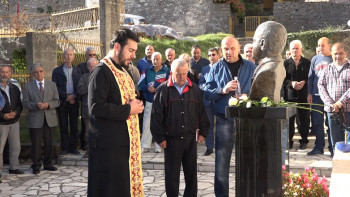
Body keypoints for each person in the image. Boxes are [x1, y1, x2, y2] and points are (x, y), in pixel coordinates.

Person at [88, 28, 145, 197]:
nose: (134, 55)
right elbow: (96, 107)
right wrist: (129, 109)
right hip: (108, 149)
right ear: (118, 47)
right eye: (131, 50)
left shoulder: (123, 70)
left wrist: (135, 105)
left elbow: (123, 99)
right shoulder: (101, 71)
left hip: (122, 148)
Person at [203, 36, 256, 196]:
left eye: (232, 48)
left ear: (239, 48)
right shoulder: (216, 68)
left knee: (246, 163)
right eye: (225, 49)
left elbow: (259, 91)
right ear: (221, 50)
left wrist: (247, 96)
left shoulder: (251, 66)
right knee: (221, 165)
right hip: (224, 120)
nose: (229, 52)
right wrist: (222, 90)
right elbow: (207, 93)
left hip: (245, 120)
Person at [151, 59, 209, 197]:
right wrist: (159, 138)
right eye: (178, 74)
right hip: (171, 140)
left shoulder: (194, 89)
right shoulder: (163, 90)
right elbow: (156, 116)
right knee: (171, 175)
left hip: (190, 138)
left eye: (184, 73)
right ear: (171, 73)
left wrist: (204, 132)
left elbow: (201, 112)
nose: (182, 77)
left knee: (191, 174)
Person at [22, 63, 60, 174]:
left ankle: (48, 163)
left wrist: (48, 105)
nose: (39, 74)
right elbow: (25, 103)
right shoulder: (28, 86)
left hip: (50, 118)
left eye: (41, 71)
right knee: (36, 143)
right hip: (35, 119)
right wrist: (35, 105)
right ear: (33, 74)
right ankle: (36, 165)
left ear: (44, 72)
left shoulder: (52, 85)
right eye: (36, 72)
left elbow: (57, 101)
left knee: (49, 142)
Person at [318, 42, 350, 153]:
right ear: (331, 54)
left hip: (348, 110)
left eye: (340, 53)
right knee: (335, 142)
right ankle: (337, 165)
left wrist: (340, 102)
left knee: (349, 141)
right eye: (335, 53)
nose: (338, 56)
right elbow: (320, 85)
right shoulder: (326, 69)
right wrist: (330, 103)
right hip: (332, 111)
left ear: (346, 53)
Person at [52, 48, 82, 155]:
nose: (69, 56)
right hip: (63, 102)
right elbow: (55, 87)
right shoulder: (57, 71)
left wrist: (74, 96)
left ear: (74, 56)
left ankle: (73, 147)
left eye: (71, 54)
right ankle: (65, 148)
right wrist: (67, 96)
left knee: (74, 125)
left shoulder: (78, 70)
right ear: (63, 57)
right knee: (63, 125)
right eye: (67, 54)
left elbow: (80, 86)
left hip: (74, 101)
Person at [307, 37, 333, 156]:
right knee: (317, 123)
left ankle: (333, 147)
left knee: (330, 123)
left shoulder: (333, 58)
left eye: (323, 45)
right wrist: (309, 93)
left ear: (329, 46)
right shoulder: (315, 59)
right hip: (316, 96)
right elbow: (311, 77)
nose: (320, 48)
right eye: (318, 45)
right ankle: (319, 147)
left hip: (330, 97)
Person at [138, 52, 169, 153]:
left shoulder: (167, 71)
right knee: (147, 123)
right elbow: (140, 85)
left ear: (161, 60)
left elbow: (170, 85)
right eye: (154, 59)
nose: (155, 61)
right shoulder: (146, 70)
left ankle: (158, 145)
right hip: (150, 100)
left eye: (157, 59)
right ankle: (145, 145)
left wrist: (161, 89)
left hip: (162, 101)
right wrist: (147, 88)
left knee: (161, 123)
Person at [283, 40, 311, 150]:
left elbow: (311, 78)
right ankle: (289, 141)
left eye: (297, 48)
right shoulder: (285, 63)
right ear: (290, 50)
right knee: (289, 121)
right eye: (293, 48)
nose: (295, 50)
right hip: (290, 97)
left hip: (303, 96)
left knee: (303, 120)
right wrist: (291, 83)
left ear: (301, 50)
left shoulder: (307, 63)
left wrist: (304, 82)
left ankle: (304, 140)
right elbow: (282, 79)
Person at [0, 65, 23, 182]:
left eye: (7, 72)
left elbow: (20, 104)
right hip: (1, 123)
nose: (5, 75)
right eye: (2, 72)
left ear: (10, 74)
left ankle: (14, 167)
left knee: (15, 146)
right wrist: (3, 115)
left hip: (14, 121)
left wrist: (15, 113)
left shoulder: (14, 88)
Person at [198, 47, 220, 156]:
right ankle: (209, 147)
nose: (211, 57)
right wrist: (205, 88)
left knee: (221, 125)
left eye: (213, 54)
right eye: (209, 55)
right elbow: (201, 83)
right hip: (207, 101)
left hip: (219, 100)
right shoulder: (205, 69)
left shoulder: (222, 67)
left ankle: (220, 146)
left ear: (218, 55)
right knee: (209, 124)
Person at [77, 58, 98, 158]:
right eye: (90, 65)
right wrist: (89, 87)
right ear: (87, 67)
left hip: (100, 109)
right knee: (88, 131)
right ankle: (89, 150)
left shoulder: (102, 76)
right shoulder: (84, 77)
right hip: (87, 109)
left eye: (94, 65)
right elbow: (80, 90)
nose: (92, 67)